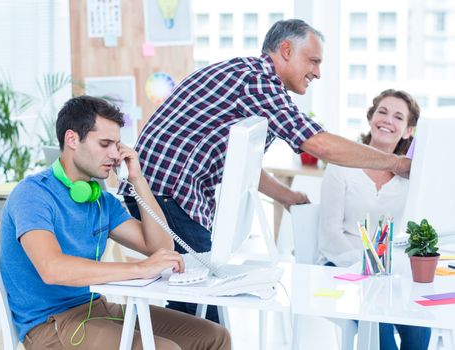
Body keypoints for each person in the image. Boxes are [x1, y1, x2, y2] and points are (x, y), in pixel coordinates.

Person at [121, 18, 412, 322]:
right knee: (198, 304)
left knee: (196, 302)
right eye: (313, 61)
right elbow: (317, 143)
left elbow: (241, 162)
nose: (318, 72)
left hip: (169, 192)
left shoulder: (253, 79)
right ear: (286, 50)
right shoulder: (256, 81)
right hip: (164, 193)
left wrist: (284, 196)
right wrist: (397, 163)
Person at [0, 95, 231, 350]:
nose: (114, 154)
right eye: (105, 144)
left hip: (96, 310)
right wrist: (140, 269)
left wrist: (138, 179)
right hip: (51, 325)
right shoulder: (33, 194)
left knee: (214, 336)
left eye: (117, 144)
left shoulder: (100, 200)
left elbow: (160, 247)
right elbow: (52, 268)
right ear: (72, 139)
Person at [318, 89, 431, 349]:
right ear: (371, 118)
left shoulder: (410, 180)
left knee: (419, 325)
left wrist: (385, 274)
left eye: (398, 117)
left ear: (408, 131)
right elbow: (329, 237)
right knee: (379, 327)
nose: (387, 120)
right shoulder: (341, 167)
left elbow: (409, 236)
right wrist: (370, 269)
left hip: (388, 275)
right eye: (382, 111)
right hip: (341, 267)